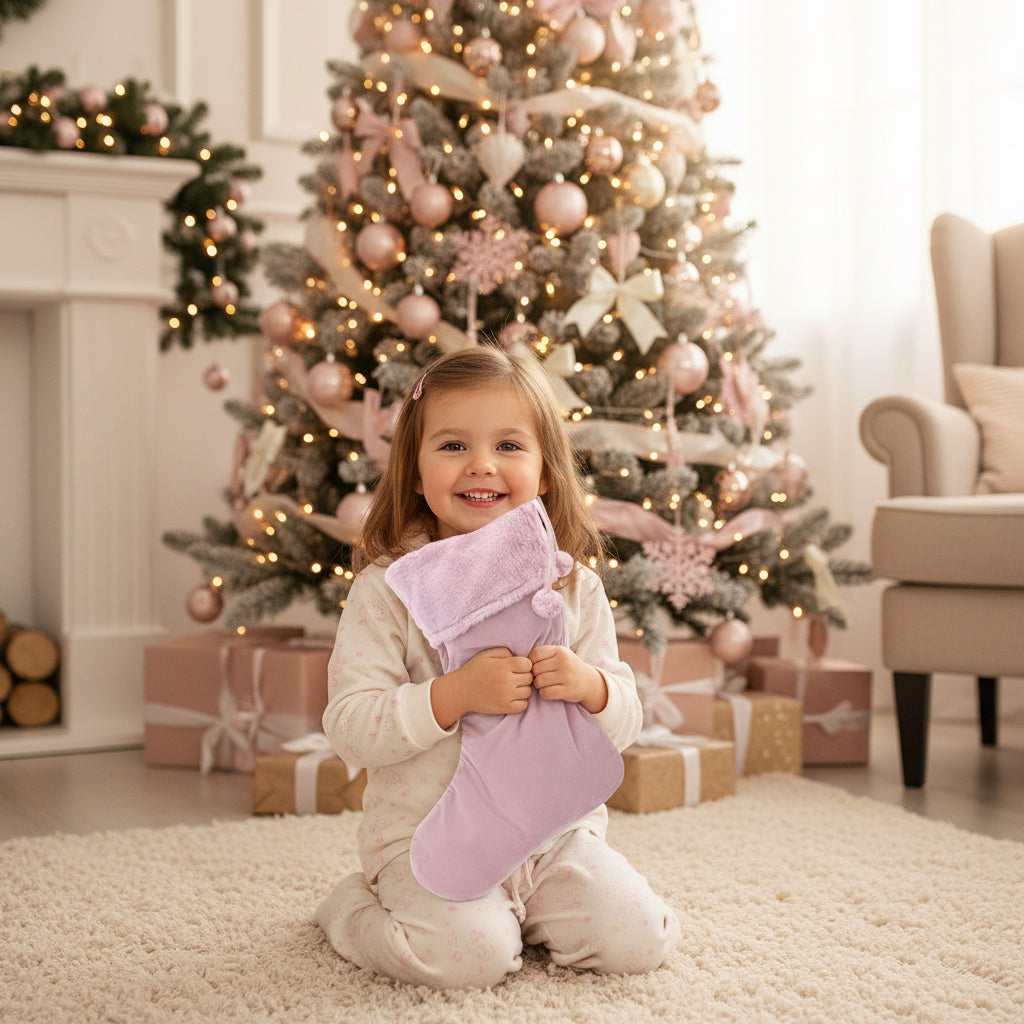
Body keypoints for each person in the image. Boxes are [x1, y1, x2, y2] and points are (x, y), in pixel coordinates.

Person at [316, 345, 680, 989]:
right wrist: (449, 697)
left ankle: (527, 910)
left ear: (543, 471)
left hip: (552, 834)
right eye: (452, 446)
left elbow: (624, 719)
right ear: (416, 469)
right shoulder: (386, 591)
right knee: (471, 960)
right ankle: (352, 909)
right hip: (426, 836)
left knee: (636, 941)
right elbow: (349, 726)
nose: (481, 465)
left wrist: (591, 688)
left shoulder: (572, 589)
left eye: (509, 446)